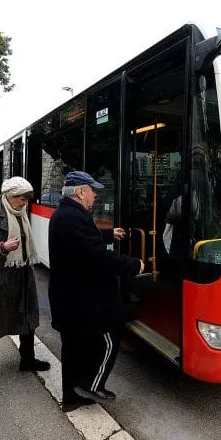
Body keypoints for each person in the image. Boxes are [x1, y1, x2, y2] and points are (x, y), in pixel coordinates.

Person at [48, 171, 144, 412]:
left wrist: (109, 234)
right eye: (92, 190)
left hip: (68, 296)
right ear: (81, 191)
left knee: (73, 347)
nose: (95, 194)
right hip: (79, 297)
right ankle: (92, 384)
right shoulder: (72, 218)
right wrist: (133, 264)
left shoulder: (67, 214)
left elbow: (84, 241)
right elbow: (96, 256)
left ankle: (70, 398)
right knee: (110, 335)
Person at [0, 176, 50, 385]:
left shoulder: (20, 213)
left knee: (27, 322)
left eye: (26, 199)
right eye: (22, 198)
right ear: (10, 196)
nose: (25, 203)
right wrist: (2, 247)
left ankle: (27, 360)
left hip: (22, 274)